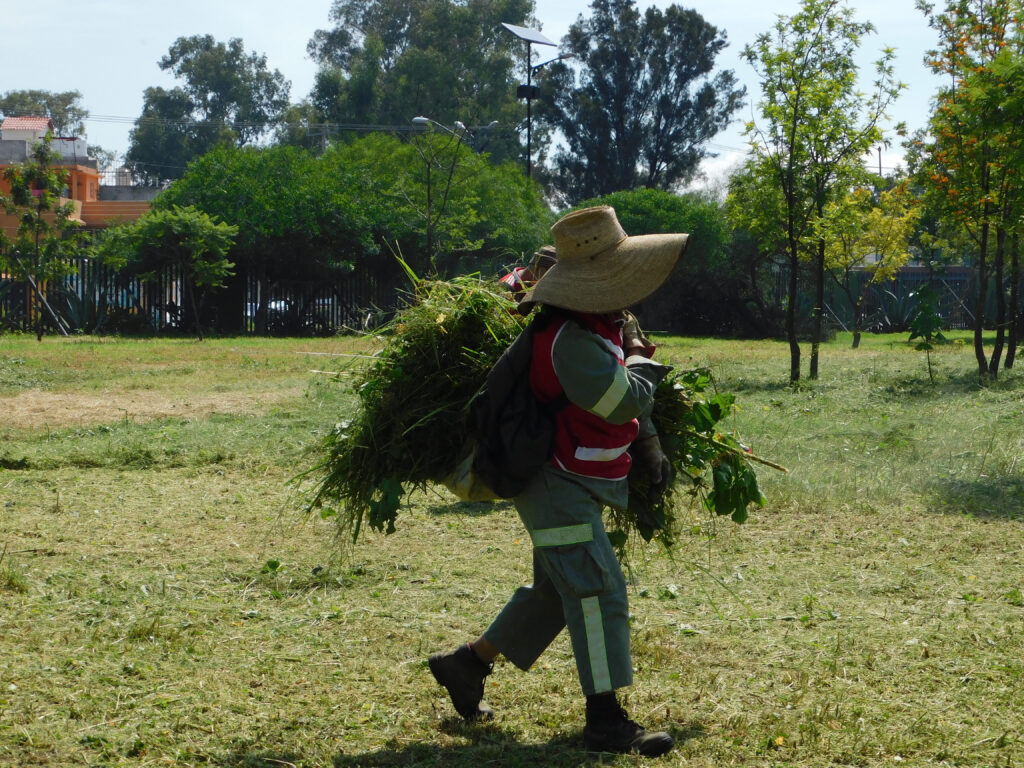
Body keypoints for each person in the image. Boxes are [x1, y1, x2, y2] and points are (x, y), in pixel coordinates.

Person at [428, 206, 688, 757]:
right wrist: (643, 361)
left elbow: (623, 409)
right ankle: (605, 721)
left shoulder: (598, 327)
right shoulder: (570, 339)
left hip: (576, 478)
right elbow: (625, 401)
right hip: (555, 482)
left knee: (555, 591)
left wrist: (650, 445)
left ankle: (466, 665)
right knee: (596, 589)